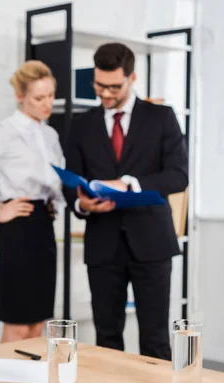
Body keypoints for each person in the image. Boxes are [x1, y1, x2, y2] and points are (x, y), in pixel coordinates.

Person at [64, 43, 188, 361]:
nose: (105, 93)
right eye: (99, 85)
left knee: (156, 339)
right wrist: (82, 205)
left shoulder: (161, 117)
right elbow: (70, 185)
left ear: (132, 78)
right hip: (103, 245)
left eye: (113, 86)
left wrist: (130, 184)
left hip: (153, 244)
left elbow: (178, 176)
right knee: (106, 338)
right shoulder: (81, 125)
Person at [0, 60, 65, 343]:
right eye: (39, 97)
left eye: (50, 95)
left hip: (43, 227)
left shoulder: (50, 134)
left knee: (38, 323)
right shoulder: (4, 131)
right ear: (20, 96)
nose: (47, 103)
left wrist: (56, 203)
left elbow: (55, 181)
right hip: (17, 229)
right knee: (18, 321)